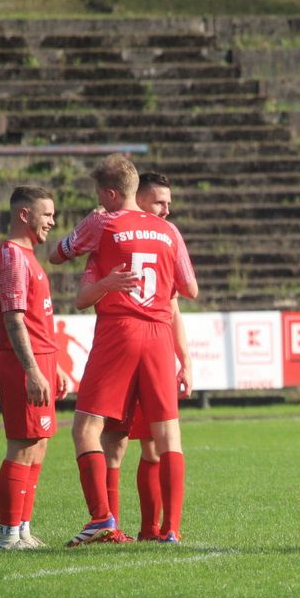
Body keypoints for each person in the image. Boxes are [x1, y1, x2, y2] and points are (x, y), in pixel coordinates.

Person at [50, 155, 197, 546]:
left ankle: (102, 517)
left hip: (120, 331)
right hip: (159, 335)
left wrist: (89, 230)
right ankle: (170, 529)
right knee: (165, 436)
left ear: (111, 194)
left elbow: (57, 254)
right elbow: (190, 289)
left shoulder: (103, 224)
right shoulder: (169, 232)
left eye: (100, 193)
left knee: (87, 428)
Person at [0, 186, 69, 550]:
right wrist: (33, 370)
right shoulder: (12, 257)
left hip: (40, 360)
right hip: (24, 363)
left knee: (37, 446)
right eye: (46, 214)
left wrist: (54, 365)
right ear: (24, 214)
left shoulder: (28, 256)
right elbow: (15, 320)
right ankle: (7, 536)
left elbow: (37, 320)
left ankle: (22, 530)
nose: (52, 221)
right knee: (21, 447)